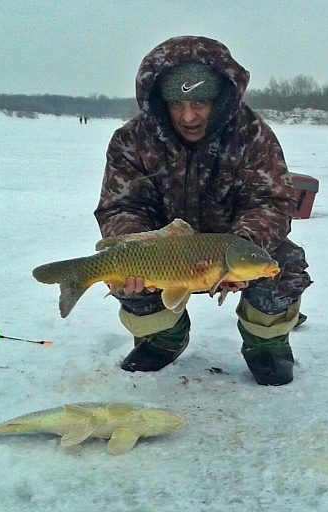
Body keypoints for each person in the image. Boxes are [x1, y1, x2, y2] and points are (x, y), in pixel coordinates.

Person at [94, 36, 312, 386]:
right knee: (122, 266)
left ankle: (267, 345)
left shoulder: (252, 134)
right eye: (176, 103)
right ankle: (161, 338)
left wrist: (240, 245)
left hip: (232, 241)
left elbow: (271, 201)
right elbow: (122, 206)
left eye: (200, 102)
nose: (188, 116)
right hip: (163, 251)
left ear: (220, 99)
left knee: (283, 264)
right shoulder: (131, 140)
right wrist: (135, 244)